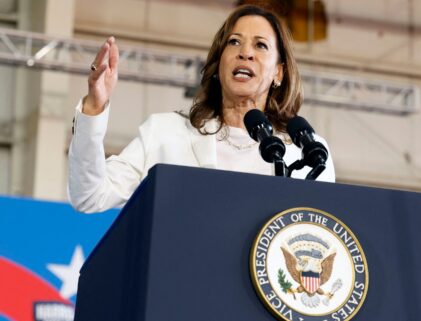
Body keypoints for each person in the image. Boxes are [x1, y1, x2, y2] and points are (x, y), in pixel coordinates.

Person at [68, 5, 335, 213]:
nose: (245, 53)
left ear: (278, 72)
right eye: (234, 42)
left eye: (260, 45)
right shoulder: (165, 133)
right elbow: (90, 195)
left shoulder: (307, 152)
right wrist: (94, 106)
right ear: (219, 64)